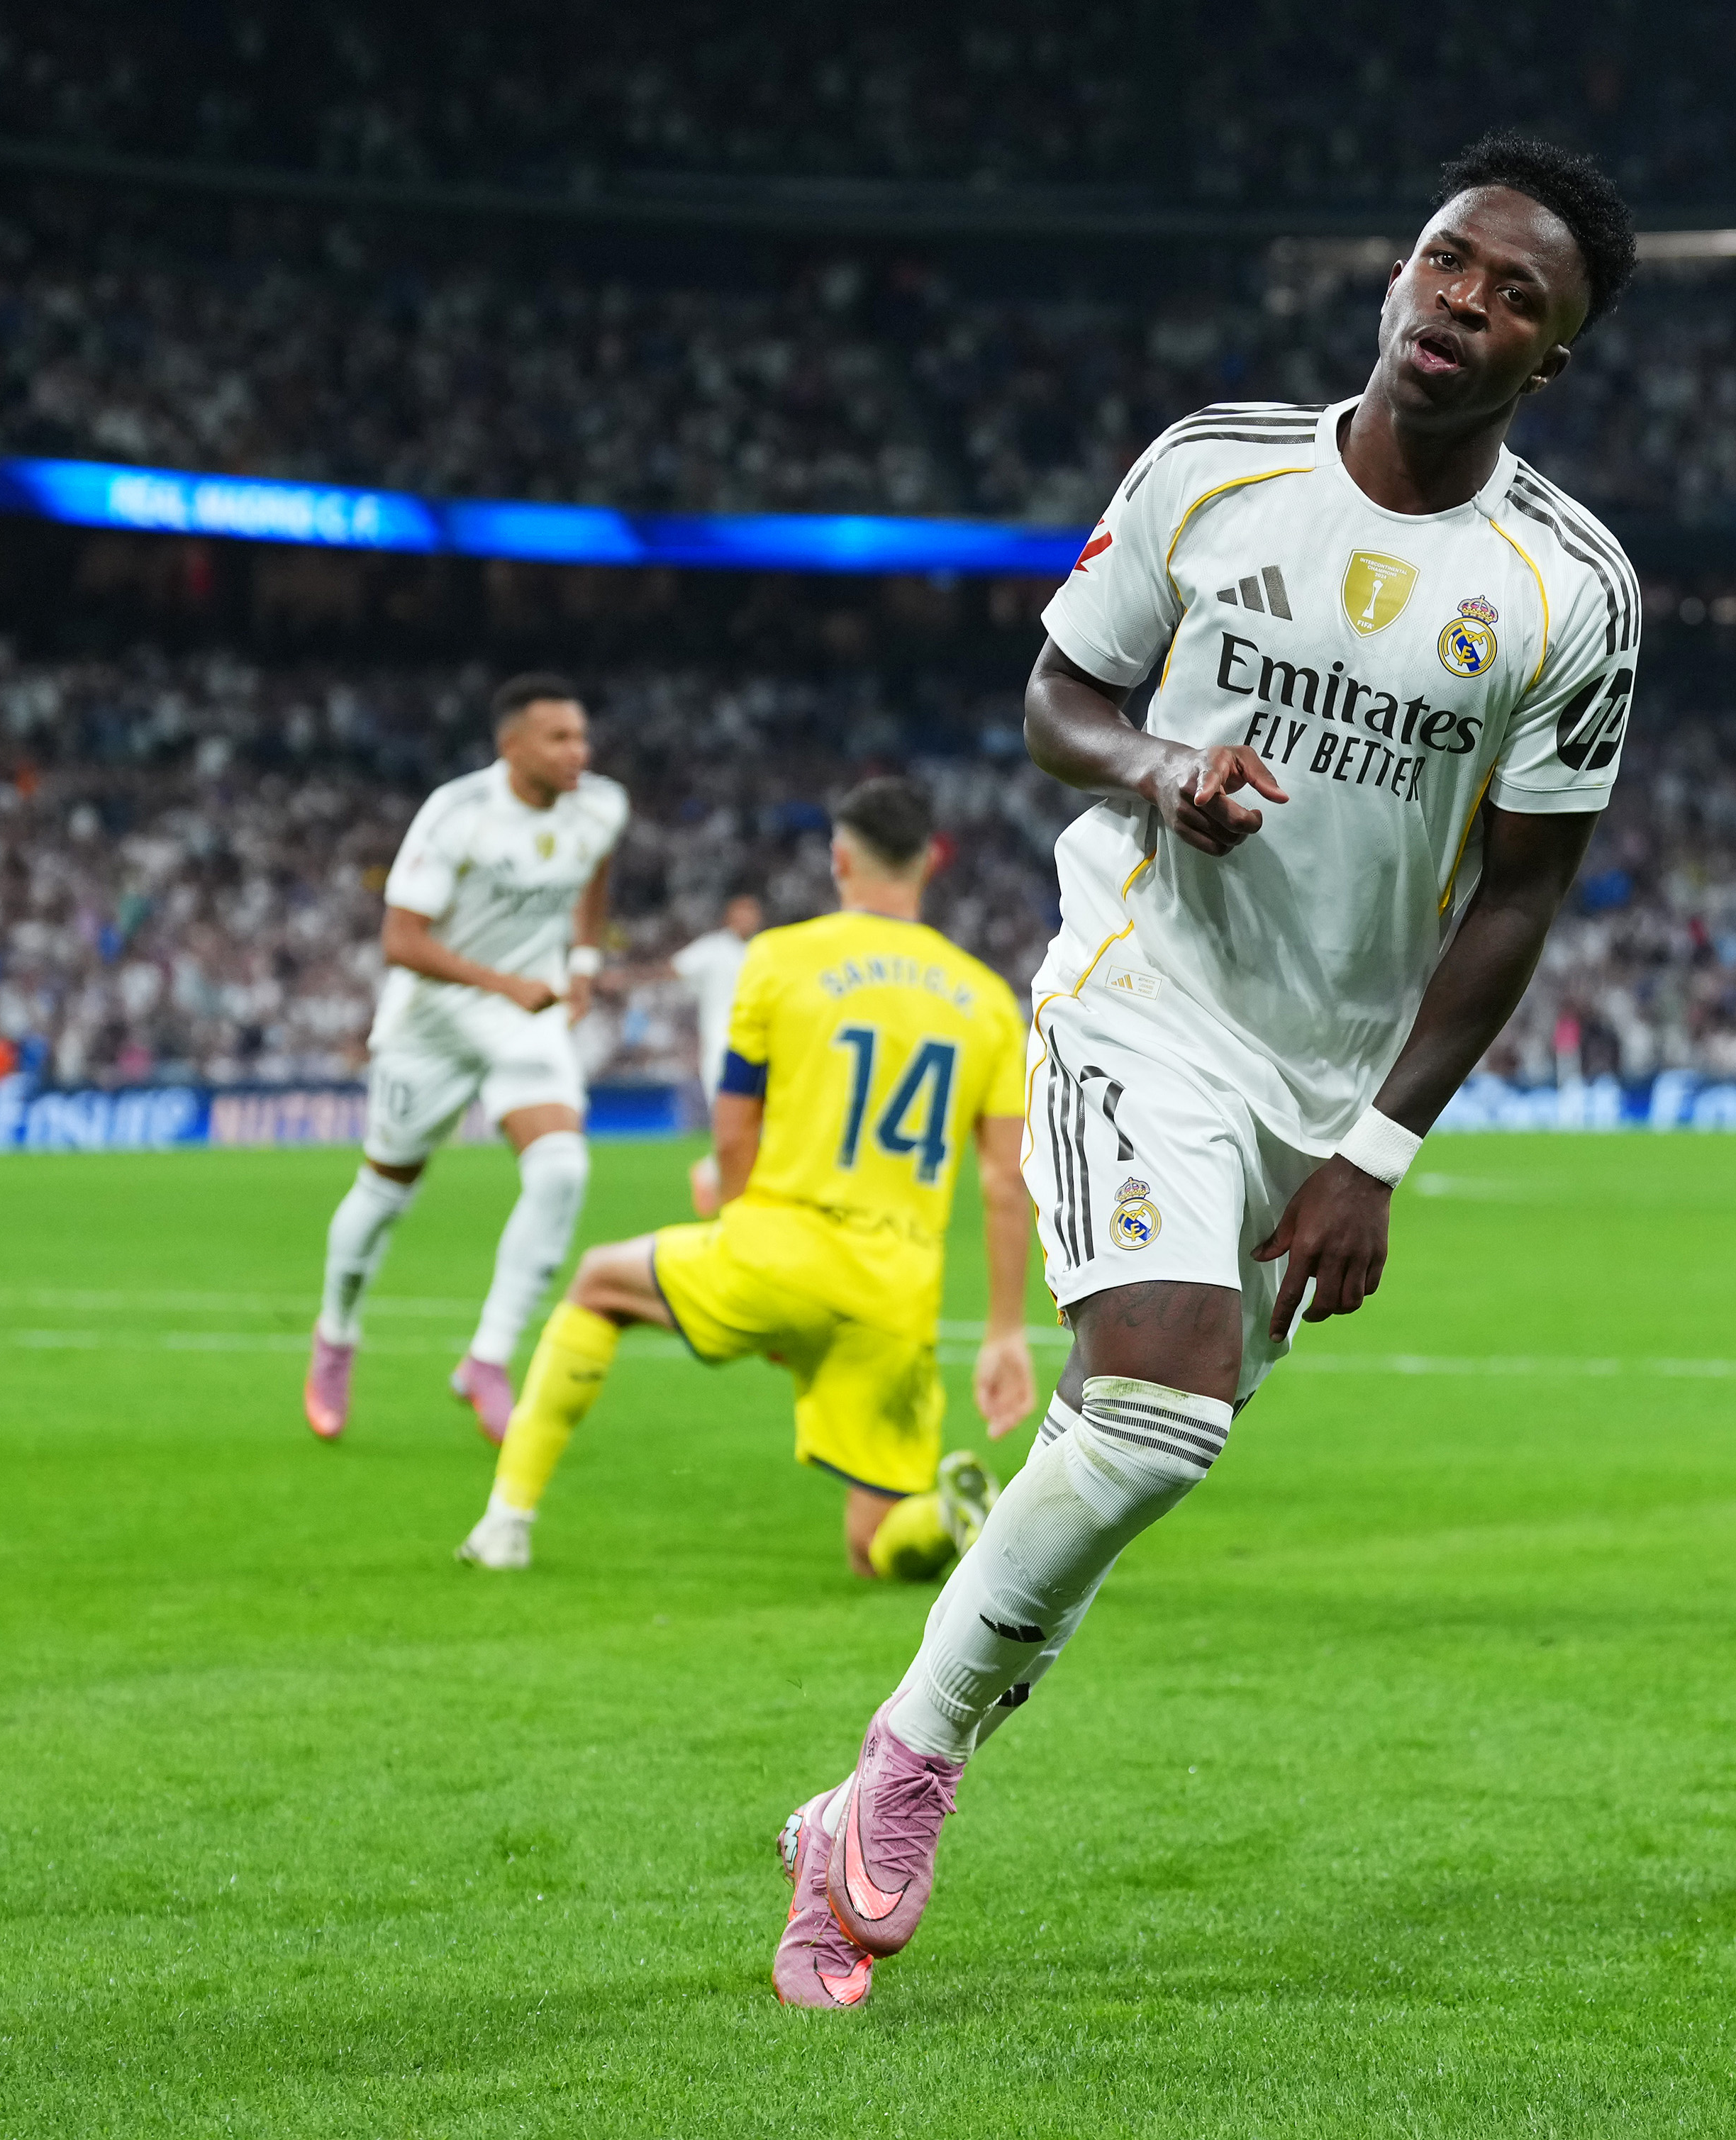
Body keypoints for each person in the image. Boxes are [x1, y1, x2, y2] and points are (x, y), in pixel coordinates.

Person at [767, 133, 1642, 2010]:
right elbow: (1056, 699)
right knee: (1161, 1412)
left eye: (1516, 300)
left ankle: (837, 1830)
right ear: (1397, 271)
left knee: (1109, 1477)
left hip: (1324, 1082)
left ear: (1546, 359)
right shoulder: (1212, 467)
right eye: (1447, 261)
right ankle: (902, 1774)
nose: (1464, 305)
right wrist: (1159, 770)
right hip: (1137, 986)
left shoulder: (1572, 595)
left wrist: (1380, 1148)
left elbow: (1523, 890)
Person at [455, 779, 1035, 1580]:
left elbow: (734, 1126)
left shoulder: (778, 959)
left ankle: (505, 1521)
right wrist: (1005, 1329)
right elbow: (1006, 1180)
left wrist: (739, 1227)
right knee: (876, 1546)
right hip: (897, 1290)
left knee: (596, 1283)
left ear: (839, 860)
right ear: (931, 862)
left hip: (782, 1246)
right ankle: (946, 1514)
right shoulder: (987, 999)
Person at [303, 676, 628, 1444]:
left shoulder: (602, 805)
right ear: (510, 746)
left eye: (581, 735)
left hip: (527, 1021)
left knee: (562, 1172)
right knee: (384, 1193)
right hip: (435, 1025)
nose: (577, 751)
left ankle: (486, 1360)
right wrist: (501, 983)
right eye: (558, 738)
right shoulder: (458, 815)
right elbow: (401, 941)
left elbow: (594, 874)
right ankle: (336, 1333)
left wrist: (580, 962)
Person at [672, 892, 766, 1216]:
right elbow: (676, 970)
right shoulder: (712, 949)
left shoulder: (764, 949)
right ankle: (721, 1180)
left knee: (759, 1120)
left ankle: (716, 1175)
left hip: (761, 1046)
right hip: (721, 1046)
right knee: (731, 1118)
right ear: (730, 917)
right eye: (741, 913)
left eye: (751, 913)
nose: (747, 920)